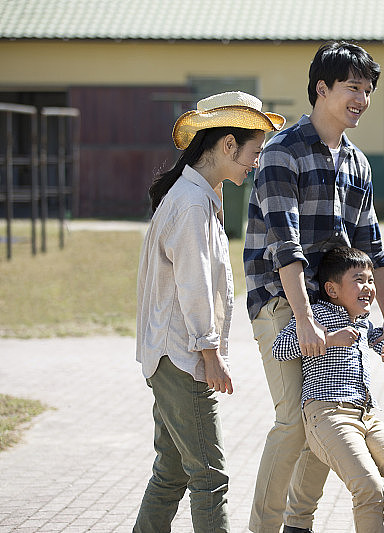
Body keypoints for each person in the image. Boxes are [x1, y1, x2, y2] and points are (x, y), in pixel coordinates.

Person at [244, 41, 384, 533]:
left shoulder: (357, 163)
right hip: (281, 302)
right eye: (353, 88)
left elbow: (371, 247)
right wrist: (306, 320)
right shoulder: (282, 151)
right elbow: (284, 245)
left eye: (368, 91)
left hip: (329, 304)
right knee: (295, 424)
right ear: (322, 89)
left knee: (327, 415)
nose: (362, 99)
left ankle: (297, 525)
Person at [134, 91, 285, 533]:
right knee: (209, 477)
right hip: (182, 359)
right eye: (254, 151)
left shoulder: (196, 197)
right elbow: (194, 285)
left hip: (171, 357)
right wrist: (210, 354)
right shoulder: (192, 204)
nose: (256, 163)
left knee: (172, 472)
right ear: (228, 145)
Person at [272, 247, 384, 533]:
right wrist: (329, 339)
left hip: (366, 416)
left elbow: (377, 337)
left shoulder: (363, 322)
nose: (368, 287)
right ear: (332, 289)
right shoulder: (315, 316)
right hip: (327, 415)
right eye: (359, 280)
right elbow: (279, 349)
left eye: (370, 280)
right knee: (369, 487)